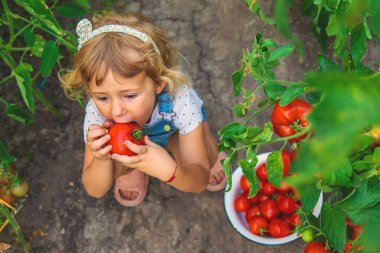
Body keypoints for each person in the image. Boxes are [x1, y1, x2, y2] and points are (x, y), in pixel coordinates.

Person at [60, 12, 227, 207]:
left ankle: (205, 150)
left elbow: (198, 182)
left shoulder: (179, 97)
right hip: (128, 143)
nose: (116, 111)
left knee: (203, 158)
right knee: (118, 160)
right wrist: (101, 157)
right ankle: (136, 166)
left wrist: (171, 172)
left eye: (129, 96)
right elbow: (95, 189)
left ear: (158, 84)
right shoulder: (97, 114)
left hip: (173, 133)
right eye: (103, 97)